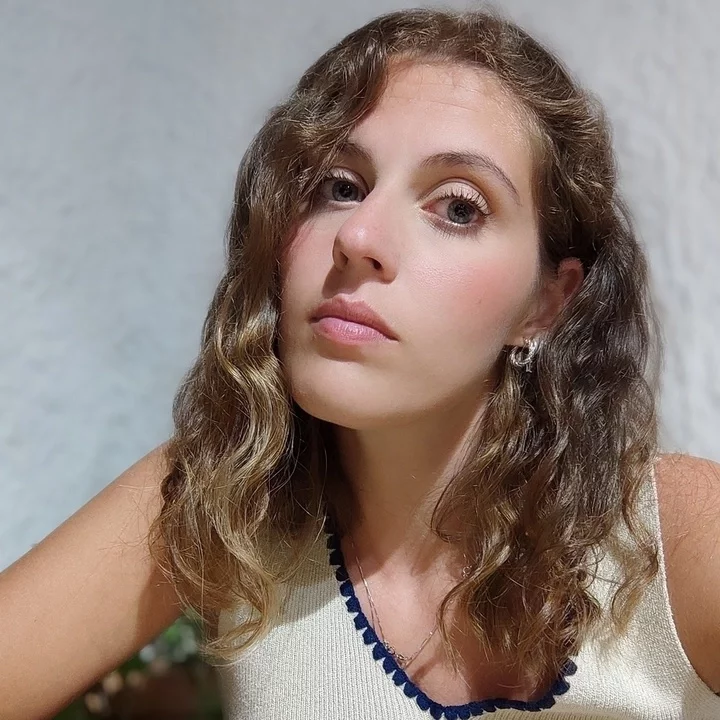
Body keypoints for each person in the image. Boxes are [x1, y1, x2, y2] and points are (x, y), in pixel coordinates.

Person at [2, 7, 719, 720]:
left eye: (458, 208)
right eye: (340, 186)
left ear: (546, 305)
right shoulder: (222, 492)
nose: (358, 235)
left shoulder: (675, 534)